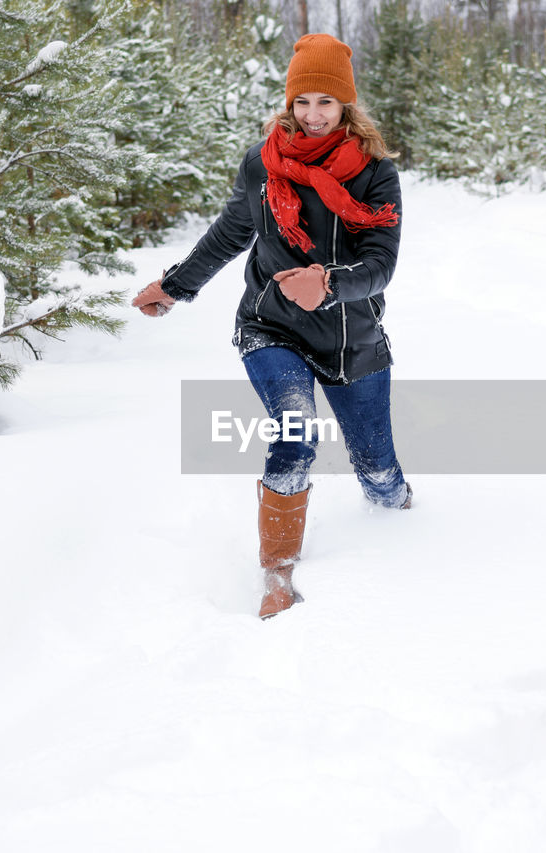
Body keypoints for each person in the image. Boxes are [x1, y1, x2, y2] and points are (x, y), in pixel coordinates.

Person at [132, 33, 411, 619]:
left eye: (326, 104)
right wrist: (177, 285)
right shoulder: (262, 164)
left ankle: (402, 533)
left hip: (349, 338)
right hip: (271, 325)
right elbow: (234, 231)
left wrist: (329, 283)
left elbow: (381, 263)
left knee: (378, 470)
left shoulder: (375, 175)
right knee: (295, 433)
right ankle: (277, 572)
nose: (312, 115)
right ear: (289, 103)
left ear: (346, 108)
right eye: (302, 102)